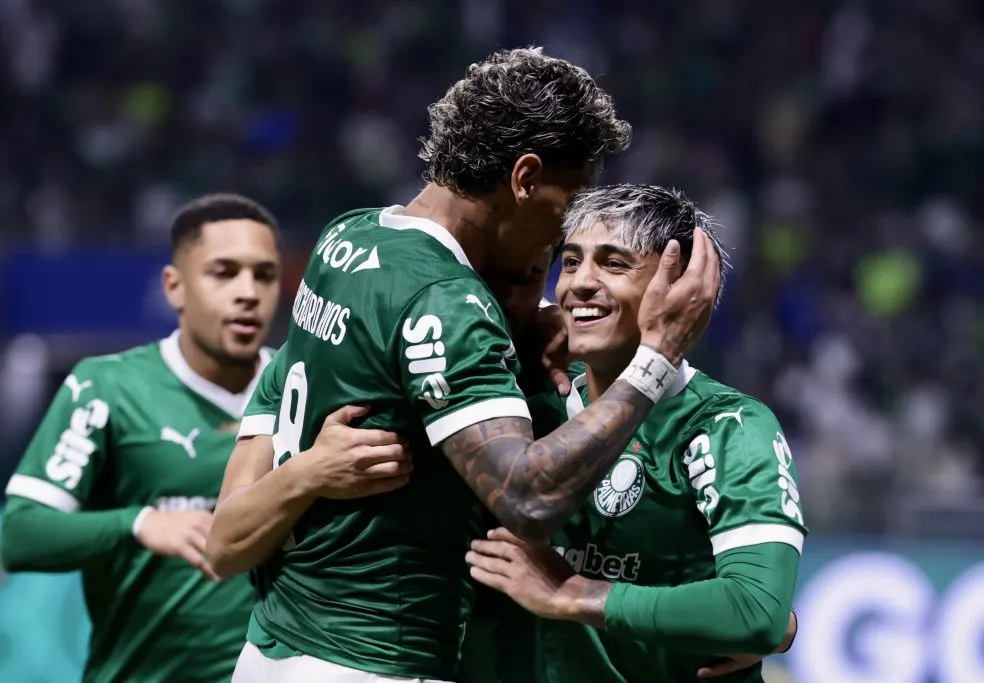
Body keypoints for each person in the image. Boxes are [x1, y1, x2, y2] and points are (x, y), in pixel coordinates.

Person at [207, 47, 722, 683]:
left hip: (273, 648)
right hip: (377, 661)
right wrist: (656, 355)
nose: (566, 231)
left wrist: (534, 315)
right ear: (524, 178)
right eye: (571, 200)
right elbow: (528, 497)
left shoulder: (349, 235)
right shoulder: (447, 302)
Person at [0, 194, 409, 683]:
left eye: (264, 275)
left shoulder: (312, 390)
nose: (248, 292)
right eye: (223, 273)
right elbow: (18, 535)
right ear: (174, 286)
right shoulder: (106, 388)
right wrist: (140, 523)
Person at [465, 184, 807, 683]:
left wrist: (577, 594)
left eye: (613, 264)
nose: (579, 283)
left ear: (681, 288)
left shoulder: (728, 426)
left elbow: (756, 611)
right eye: (571, 262)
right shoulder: (519, 407)